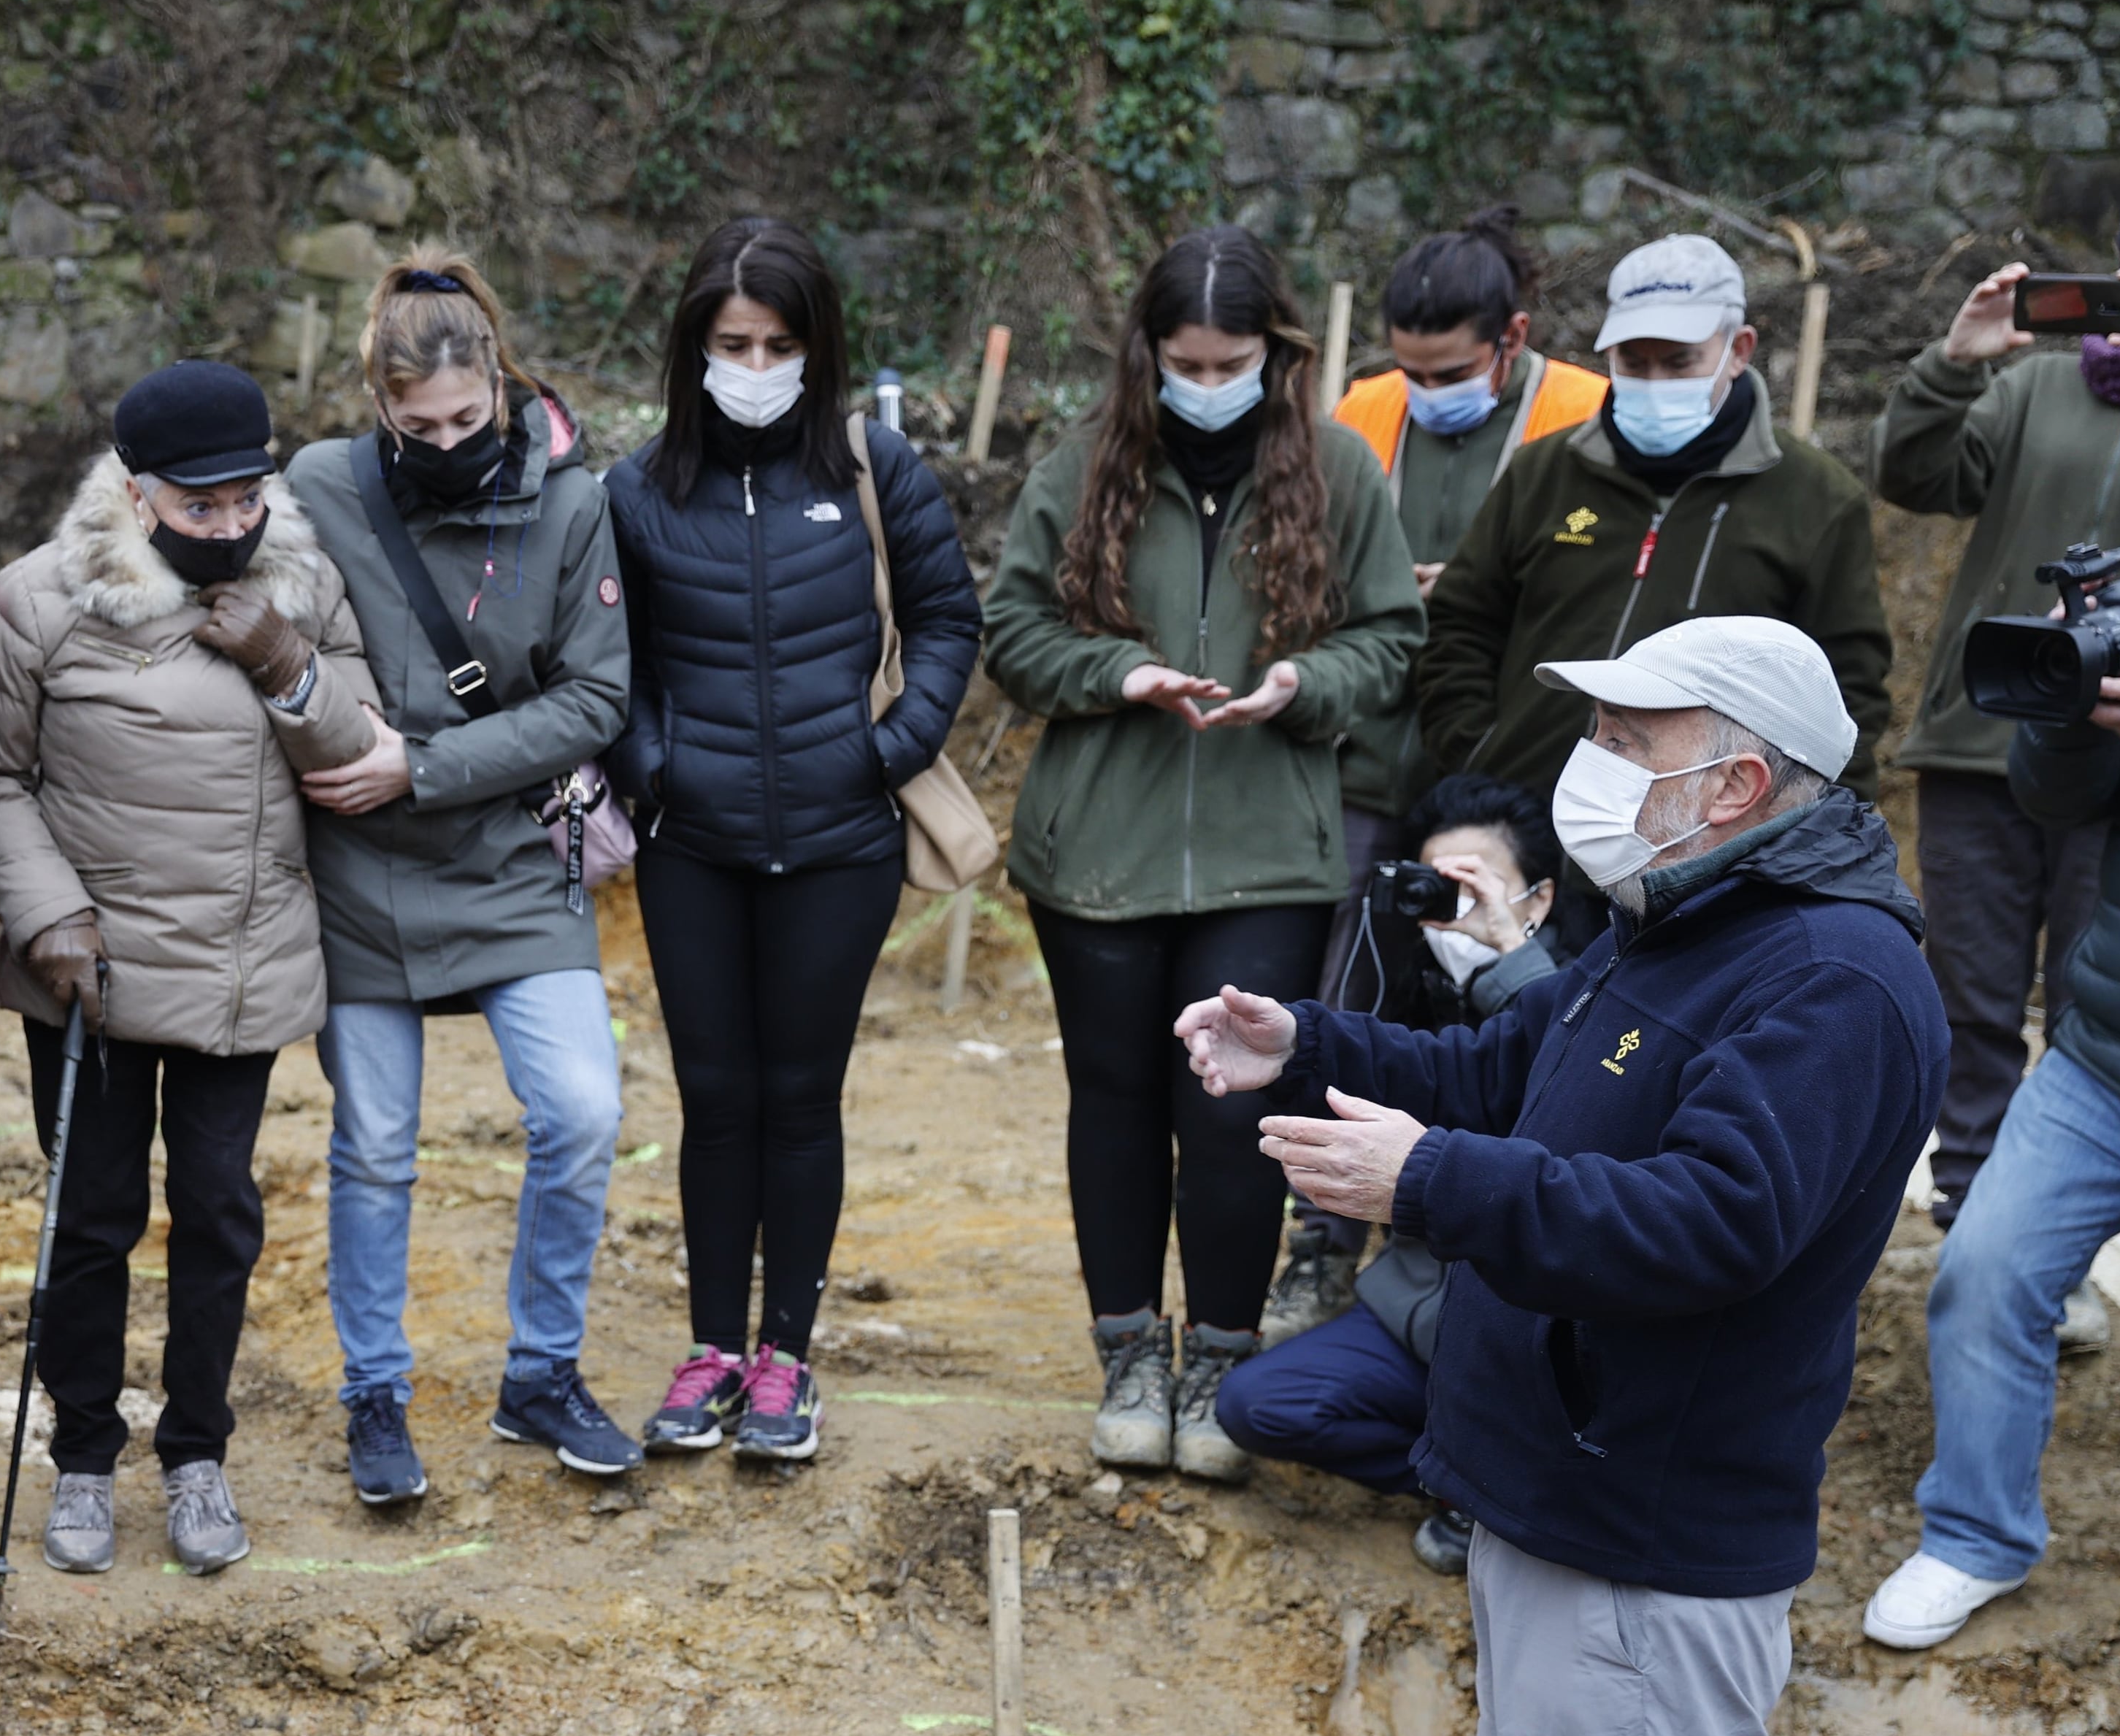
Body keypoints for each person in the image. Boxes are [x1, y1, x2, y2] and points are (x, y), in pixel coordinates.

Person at [1181, 615, 1946, 1736]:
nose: (1588, 767)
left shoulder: (1831, 979)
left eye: (1630, 733)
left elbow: (1707, 1225)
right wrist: (1311, 1043)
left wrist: (1425, 1181)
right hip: (1551, 1494)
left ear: (1740, 779)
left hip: (1650, 1534)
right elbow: (1515, 1089)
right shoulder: (1671, 926)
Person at [980, 223, 1424, 1482]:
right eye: (1187, 358)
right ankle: (1131, 1350)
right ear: (1149, 352)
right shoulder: (1082, 467)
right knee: (1116, 1104)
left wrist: (1304, 679)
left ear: (1274, 354)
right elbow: (1011, 628)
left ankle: (1225, 1354)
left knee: (1235, 1113)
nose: (1208, 379)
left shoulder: (1338, 470)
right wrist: (1114, 670)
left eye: (1232, 359)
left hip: (1266, 851)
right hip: (1096, 859)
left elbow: (1393, 636)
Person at [0, 360, 380, 1573]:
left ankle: (197, 1449)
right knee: (90, 1221)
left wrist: (286, 665)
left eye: (246, 499)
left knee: (218, 1213)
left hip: (243, 964)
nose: (229, 525)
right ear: (137, 492)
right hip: (86, 968)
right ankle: (85, 1456)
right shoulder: (41, 598)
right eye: (199, 506)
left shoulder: (304, 582)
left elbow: (353, 749)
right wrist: (47, 918)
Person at [1859, 250, 2120, 1701]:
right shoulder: (2055, 411)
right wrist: (2079, 703)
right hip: (2115, 1051)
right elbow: (2060, 805)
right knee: (1983, 1273)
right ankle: (1979, 1530)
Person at [602, 215, 980, 1463]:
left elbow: (944, 621)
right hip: (693, 844)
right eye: (730, 342)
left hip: (840, 844)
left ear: (817, 348)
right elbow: (615, 662)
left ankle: (787, 1360)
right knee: (715, 1102)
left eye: (777, 342)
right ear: (691, 348)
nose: (753, 363)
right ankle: (711, 1347)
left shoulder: (877, 470)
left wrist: (886, 751)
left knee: (800, 1097)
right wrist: (653, 768)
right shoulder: (637, 489)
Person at [283, 248, 637, 1503]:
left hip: (505, 853)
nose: (445, 440)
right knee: (377, 1139)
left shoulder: (571, 497)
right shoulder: (320, 486)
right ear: (378, 405)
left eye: (466, 419)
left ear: (498, 375)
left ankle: (541, 1370)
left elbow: (598, 694)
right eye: (415, 424)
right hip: (360, 867)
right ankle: (374, 1390)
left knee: (583, 1111)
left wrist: (421, 767)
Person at [1270, 208, 1608, 1343]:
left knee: (1503, 993)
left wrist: (1464, 587)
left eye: (1448, 371)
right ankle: (1320, 1239)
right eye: (1407, 368)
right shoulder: (1364, 412)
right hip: (1368, 760)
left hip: (1510, 773)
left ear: (1511, 339)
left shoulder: (1585, 416)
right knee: (1355, 992)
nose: (1422, 388)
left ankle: (1473, 1234)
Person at [1873, 147, 2120, 1240]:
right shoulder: (2033, 382)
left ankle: (2060, 1231)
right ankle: (1970, 1204)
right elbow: (1917, 478)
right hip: (1980, 740)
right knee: (1970, 997)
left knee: (2086, 1004)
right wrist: (1954, 365)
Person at [1213, 772, 1562, 1567]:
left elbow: (1568, 1097)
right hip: (1418, 1310)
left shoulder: (1588, 998)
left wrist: (1510, 961)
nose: (1452, 910)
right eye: (1433, 887)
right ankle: (1465, 1486)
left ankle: (1511, 1490)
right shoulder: (1408, 989)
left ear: (1538, 899)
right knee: (1258, 1404)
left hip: (1532, 1326)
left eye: (1473, 886)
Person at [1412, 233, 1892, 809]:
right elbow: (1461, 625)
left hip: (1703, 840)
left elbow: (1846, 692)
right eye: (1634, 362)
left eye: (1680, 360)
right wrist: (1480, 755)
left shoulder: (1816, 499)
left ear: (1739, 349)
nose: (1655, 381)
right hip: (1525, 823)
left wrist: (1809, 828)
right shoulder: (1542, 472)